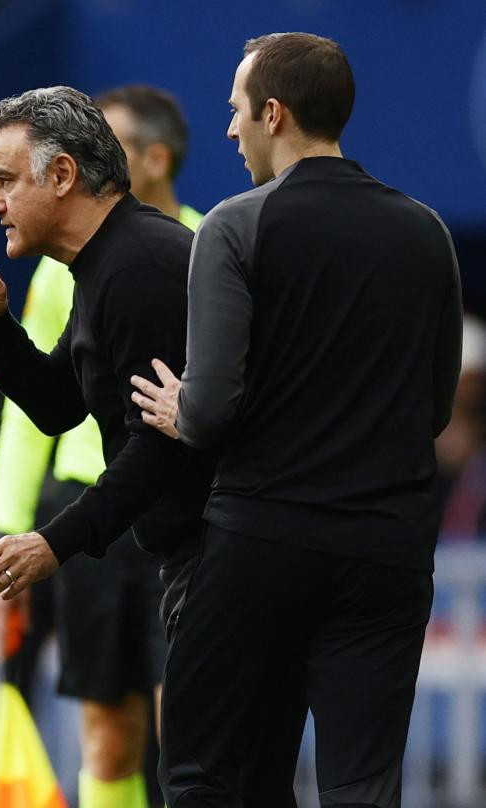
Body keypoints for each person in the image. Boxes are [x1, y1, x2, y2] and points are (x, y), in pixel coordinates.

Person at [129, 33, 462, 806]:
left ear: (274, 113)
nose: (230, 129)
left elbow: (208, 414)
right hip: (388, 553)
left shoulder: (234, 228)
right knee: (364, 786)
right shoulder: (427, 234)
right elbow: (436, 409)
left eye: (237, 111)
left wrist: (183, 410)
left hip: (260, 549)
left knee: (207, 776)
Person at [0, 84, 201, 808]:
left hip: (207, 551)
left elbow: (161, 448)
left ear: (64, 176)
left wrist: (54, 542)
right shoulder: (102, 264)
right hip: (152, 535)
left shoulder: (141, 267)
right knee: (129, 742)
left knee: (198, 758)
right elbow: (58, 406)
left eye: (5, 180)